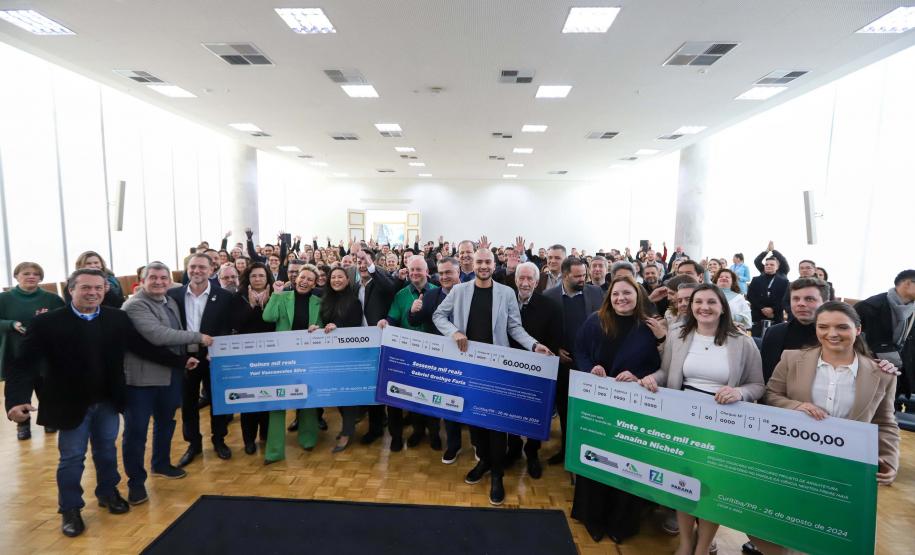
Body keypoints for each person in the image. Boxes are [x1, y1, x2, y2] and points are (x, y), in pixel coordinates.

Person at [11, 269, 198, 537]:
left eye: (98, 288)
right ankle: (70, 508)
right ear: (71, 290)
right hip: (69, 403)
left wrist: (180, 361)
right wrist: (17, 400)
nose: (93, 293)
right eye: (86, 288)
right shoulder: (47, 323)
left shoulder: (116, 318)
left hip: (107, 401)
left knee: (107, 451)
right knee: (72, 458)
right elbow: (23, 364)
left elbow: (141, 347)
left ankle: (108, 492)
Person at [756, 302, 900, 554]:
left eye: (842, 327)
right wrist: (797, 406)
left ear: (857, 329)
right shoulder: (791, 358)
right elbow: (771, 395)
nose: (832, 333)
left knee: (829, 533)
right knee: (780, 525)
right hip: (793, 457)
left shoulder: (882, 373)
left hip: (845, 468)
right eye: (823, 327)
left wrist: (889, 460)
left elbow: (885, 421)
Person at [640, 284, 764, 555]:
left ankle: (703, 547)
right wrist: (651, 379)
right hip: (684, 422)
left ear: (722, 308)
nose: (703, 307)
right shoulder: (678, 335)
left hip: (722, 426)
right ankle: (686, 543)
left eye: (711, 302)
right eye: (698, 302)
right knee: (682, 484)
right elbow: (666, 372)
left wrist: (739, 392)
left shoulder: (742, 342)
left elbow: (757, 385)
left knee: (711, 490)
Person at [433, 248, 551, 506]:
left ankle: (497, 475)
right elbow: (438, 315)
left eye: (488, 261)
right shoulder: (459, 291)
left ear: (494, 264)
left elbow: (514, 327)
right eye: (480, 262)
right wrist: (454, 332)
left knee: (497, 426)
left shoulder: (506, 293)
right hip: (468, 367)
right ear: (472, 264)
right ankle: (484, 461)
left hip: (496, 370)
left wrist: (533, 345)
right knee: (475, 423)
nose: (484, 266)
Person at [572, 276, 665, 543]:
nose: (621, 298)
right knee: (596, 458)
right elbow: (580, 351)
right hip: (599, 403)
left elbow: (660, 364)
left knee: (627, 464)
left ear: (638, 296)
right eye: (615, 294)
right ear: (609, 298)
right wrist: (590, 368)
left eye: (627, 293)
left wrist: (638, 377)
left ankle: (620, 523)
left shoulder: (650, 326)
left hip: (633, 407)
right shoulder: (595, 320)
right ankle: (593, 517)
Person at [121, 262, 212, 505]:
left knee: (166, 422)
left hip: (170, 375)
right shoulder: (135, 305)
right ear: (142, 281)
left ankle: (161, 463)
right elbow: (158, 335)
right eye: (153, 277)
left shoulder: (169, 301)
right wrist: (199, 338)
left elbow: (176, 337)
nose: (159, 282)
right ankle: (136, 483)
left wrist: (187, 358)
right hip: (141, 380)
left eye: (164, 278)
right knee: (137, 431)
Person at [168, 254, 235, 466]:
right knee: (188, 403)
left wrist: (217, 349)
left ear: (211, 269)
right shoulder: (173, 295)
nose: (197, 271)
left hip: (213, 357)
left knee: (218, 401)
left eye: (202, 267)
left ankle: (219, 440)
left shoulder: (224, 296)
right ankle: (193, 444)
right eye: (193, 267)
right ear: (187, 269)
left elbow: (227, 326)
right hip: (185, 357)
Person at [542, 256, 604, 465]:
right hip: (564, 365)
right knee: (565, 409)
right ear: (565, 275)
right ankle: (567, 450)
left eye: (584, 275)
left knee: (589, 411)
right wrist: (555, 348)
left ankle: (588, 452)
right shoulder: (549, 296)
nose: (582, 279)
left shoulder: (596, 292)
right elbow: (545, 329)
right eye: (577, 276)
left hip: (591, 364)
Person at [505, 262, 563, 478]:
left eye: (530, 279)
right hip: (509, 368)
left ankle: (532, 453)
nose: (525, 283)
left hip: (537, 370)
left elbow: (554, 340)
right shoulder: (505, 301)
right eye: (521, 278)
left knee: (534, 413)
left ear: (537, 282)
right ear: (515, 280)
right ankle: (513, 449)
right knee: (510, 410)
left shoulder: (550, 307)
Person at [377, 255, 440, 451]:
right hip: (407, 354)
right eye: (412, 270)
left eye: (418, 269)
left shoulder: (438, 292)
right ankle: (414, 432)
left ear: (427, 272)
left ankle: (434, 434)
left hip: (432, 355)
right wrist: (385, 322)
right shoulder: (401, 295)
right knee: (410, 396)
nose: (414, 273)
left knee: (431, 396)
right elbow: (392, 319)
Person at [262, 266, 323, 463]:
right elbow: (268, 317)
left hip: (307, 357)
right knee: (277, 402)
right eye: (302, 277)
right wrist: (275, 294)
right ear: (296, 279)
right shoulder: (282, 297)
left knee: (307, 398)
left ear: (315, 284)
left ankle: (308, 439)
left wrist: (318, 328)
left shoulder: (318, 302)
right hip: (282, 357)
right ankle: (274, 451)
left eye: (310, 279)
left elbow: (322, 327)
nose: (305, 281)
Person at [409, 256, 466, 462]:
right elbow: (415, 321)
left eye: (448, 272)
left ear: (459, 272)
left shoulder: (470, 292)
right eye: (441, 273)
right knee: (449, 403)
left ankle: (479, 445)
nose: (444, 277)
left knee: (472, 402)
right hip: (442, 361)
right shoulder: (431, 295)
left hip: (469, 357)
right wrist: (413, 310)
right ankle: (454, 445)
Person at [0, 262, 65, 439]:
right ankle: (22, 424)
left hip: (45, 354)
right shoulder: (4, 299)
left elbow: (64, 320)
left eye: (36, 274)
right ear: (16, 276)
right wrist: (11, 324)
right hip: (16, 354)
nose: (31, 276)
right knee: (18, 390)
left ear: (41, 278)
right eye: (26, 273)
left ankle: (49, 419)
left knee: (47, 388)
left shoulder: (52, 299)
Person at [351, 248, 400, 446]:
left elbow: (390, 288)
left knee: (383, 386)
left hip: (381, 342)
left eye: (366, 261)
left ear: (373, 263)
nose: (362, 265)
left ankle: (382, 428)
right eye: (359, 262)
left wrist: (372, 266)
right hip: (360, 345)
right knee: (370, 387)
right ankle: (376, 426)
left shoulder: (382, 281)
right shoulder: (355, 286)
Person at [315, 267, 365, 452]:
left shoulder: (354, 301)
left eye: (340, 277)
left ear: (347, 280)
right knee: (336, 392)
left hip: (348, 355)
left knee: (347, 394)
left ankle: (346, 432)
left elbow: (355, 326)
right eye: (333, 277)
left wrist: (338, 327)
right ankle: (348, 426)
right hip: (328, 354)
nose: (336, 280)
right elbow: (322, 322)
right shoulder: (325, 300)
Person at [229, 262, 276, 455]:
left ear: (267, 278)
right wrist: (251, 306)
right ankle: (249, 439)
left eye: (261, 276)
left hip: (270, 355)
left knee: (268, 396)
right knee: (248, 399)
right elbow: (236, 324)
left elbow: (275, 323)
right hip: (246, 357)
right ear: (247, 278)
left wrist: (265, 305)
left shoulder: (275, 296)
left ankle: (265, 433)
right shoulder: (237, 297)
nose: (257, 279)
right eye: (254, 276)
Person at [855, 270, 915, 407]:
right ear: (907, 284)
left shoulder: (912, 310)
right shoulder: (869, 306)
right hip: (871, 372)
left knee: (889, 411)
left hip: (899, 374)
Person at [746, 256, 790, 337]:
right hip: (758, 315)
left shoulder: (784, 282)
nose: (768, 266)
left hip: (776, 316)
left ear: (777, 267)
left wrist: (772, 309)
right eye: (766, 264)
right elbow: (750, 296)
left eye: (772, 265)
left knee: (775, 339)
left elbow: (784, 299)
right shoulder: (756, 280)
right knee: (756, 340)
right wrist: (762, 308)